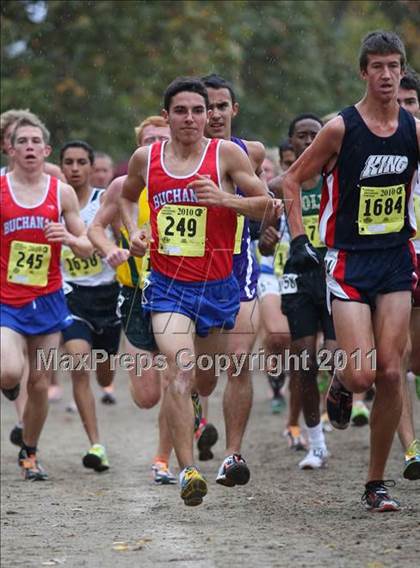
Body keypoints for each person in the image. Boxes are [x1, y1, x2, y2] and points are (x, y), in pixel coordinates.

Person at [120, 76, 276, 506]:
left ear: (209, 115)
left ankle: (228, 453)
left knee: (205, 380)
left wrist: (225, 201)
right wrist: (136, 231)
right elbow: (127, 197)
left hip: (219, 286)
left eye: (198, 111)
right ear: (166, 115)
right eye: (181, 111)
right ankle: (188, 469)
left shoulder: (226, 154)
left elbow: (268, 204)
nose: (190, 118)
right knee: (179, 369)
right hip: (168, 288)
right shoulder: (145, 158)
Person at [282, 31, 419, 511]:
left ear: (403, 69)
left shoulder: (414, 130)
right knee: (361, 376)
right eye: (377, 66)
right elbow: (291, 180)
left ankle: (375, 482)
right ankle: (340, 382)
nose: (386, 75)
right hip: (348, 260)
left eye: (394, 66)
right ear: (363, 72)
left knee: (391, 371)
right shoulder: (341, 128)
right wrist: (300, 241)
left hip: (396, 258)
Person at [88, 115, 179, 484]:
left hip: (179, 290)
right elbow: (95, 227)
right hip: (135, 292)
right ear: (139, 148)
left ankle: (163, 458)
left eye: (162, 138)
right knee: (146, 396)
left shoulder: (185, 180)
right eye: (148, 140)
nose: (155, 145)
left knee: (178, 378)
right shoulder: (124, 186)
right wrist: (110, 248)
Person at [0, 116, 92, 480]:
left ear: (46, 150)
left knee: (40, 383)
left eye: (36, 141)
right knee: (10, 370)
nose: (29, 147)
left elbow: (87, 247)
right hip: (6, 300)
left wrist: (68, 239)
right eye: (21, 141)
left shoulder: (61, 193)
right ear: (10, 149)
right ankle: (8, 386)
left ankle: (30, 452)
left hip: (49, 299)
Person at [266, 114, 335, 469]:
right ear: (290, 144)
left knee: (340, 357)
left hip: (337, 270)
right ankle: (316, 444)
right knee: (304, 360)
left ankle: (342, 395)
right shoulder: (278, 186)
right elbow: (264, 242)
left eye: (315, 135)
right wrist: (265, 237)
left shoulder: (338, 176)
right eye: (301, 136)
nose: (308, 142)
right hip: (296, 276)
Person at [59, 140, 122, 472]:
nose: (74, 168)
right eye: (68, 162)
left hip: (108, 296)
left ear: (91, 166)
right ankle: (96, 445)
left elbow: (114, 236)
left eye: (81, 162)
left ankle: (107, 379)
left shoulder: (103, 202)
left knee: (104, 371)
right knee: (79, 365)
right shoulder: (50, 203)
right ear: (61, 165)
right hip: (70, 295)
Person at [396, 68, 420, 480]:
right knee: (396, 357)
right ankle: (411, 448)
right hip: (399, 254)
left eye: (410, 102)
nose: (401, 110)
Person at [1, 109, 66, 180]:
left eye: (35, 140)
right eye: (12, 137)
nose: (28, 145)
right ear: (2, 143)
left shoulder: (53, 173)